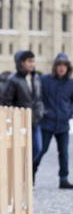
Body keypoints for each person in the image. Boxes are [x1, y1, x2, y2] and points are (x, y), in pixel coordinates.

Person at [34, 53, 73, 189]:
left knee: (64, 152)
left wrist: (68, 113)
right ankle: (32, 174)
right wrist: (42, 111)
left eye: (65, 66)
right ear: (55, 67)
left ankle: (64, 178)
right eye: (59, 65)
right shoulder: (45, 80)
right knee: (41, 150)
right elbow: (37, 97)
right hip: (47, 122)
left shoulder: (71, 83)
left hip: (63, 124)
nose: (62, 68)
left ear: (68, 68)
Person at [2, 51, 44, 165]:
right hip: (20, 122)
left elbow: (39, 98)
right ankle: (23, 174)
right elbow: (6, 101)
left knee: (38, 149)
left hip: (35, 121)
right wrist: (17, 116)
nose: (32, 64)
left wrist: (40, 111)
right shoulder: (13, 80)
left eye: (33, 61)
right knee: (21, 151)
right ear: (22, 63)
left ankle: (27, 173)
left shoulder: (36, 77)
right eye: (29, 61)